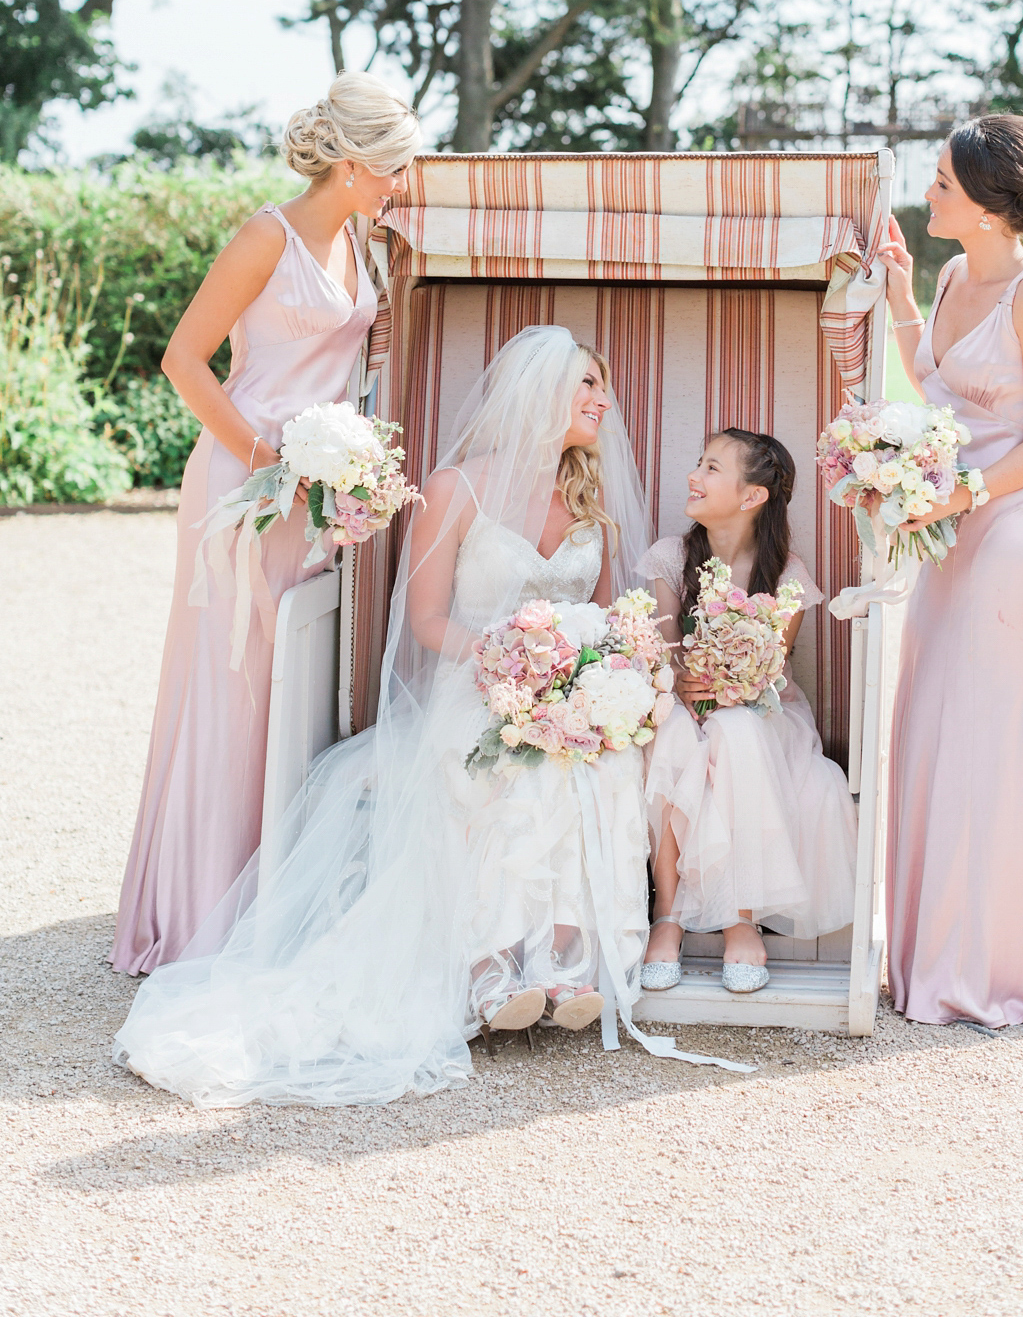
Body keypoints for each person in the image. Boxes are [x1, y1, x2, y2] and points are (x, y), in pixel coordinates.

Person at [112, 327, 668, 1106]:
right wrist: (509, 663)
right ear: (538, 397)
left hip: (564, 688)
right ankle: (489, 967)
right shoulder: (455, 489)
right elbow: (429, 619)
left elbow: (603, 615)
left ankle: (562, 961)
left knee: (592, 758)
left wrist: (588, 676)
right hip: (474, 682)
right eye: (585, 386)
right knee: (502, 760)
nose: (601, 401)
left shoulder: (588, 495)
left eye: (601, 387)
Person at [110, 72, 420, 976]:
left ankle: (272, 890)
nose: (403, 183)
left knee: (295, 676)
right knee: (231, 679)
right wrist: (264, 461)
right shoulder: (265, 235)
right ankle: (199, 907)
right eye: (395, 168)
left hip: (314, 491)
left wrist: (341, 468)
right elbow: (183, 360)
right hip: (245, 486)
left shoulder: (363, 242)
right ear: (356, 165)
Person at [878, 114, 1023, 1030]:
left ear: (982, 206)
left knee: (998, 741)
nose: (927, 193)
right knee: (934, 724)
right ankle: (935, 953)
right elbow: (933, 383)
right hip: (949, 531)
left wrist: (963, 493)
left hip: (1011, 535)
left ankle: (1002, 968)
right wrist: (900, 293)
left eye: (940, 183)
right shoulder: (945, 274)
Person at [638, 430, 858, 995]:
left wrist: (728, 688)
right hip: (688, 706)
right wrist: (682, 681)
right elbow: (663, 657)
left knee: (734, 729)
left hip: (765, 717)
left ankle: (740, 915)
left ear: (751, 496)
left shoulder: (785, 572)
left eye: (712, 468)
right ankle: (668, 915)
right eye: (699, 462)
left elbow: (770, 672)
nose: (694, 476)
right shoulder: (672, 558)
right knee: (670, 732)